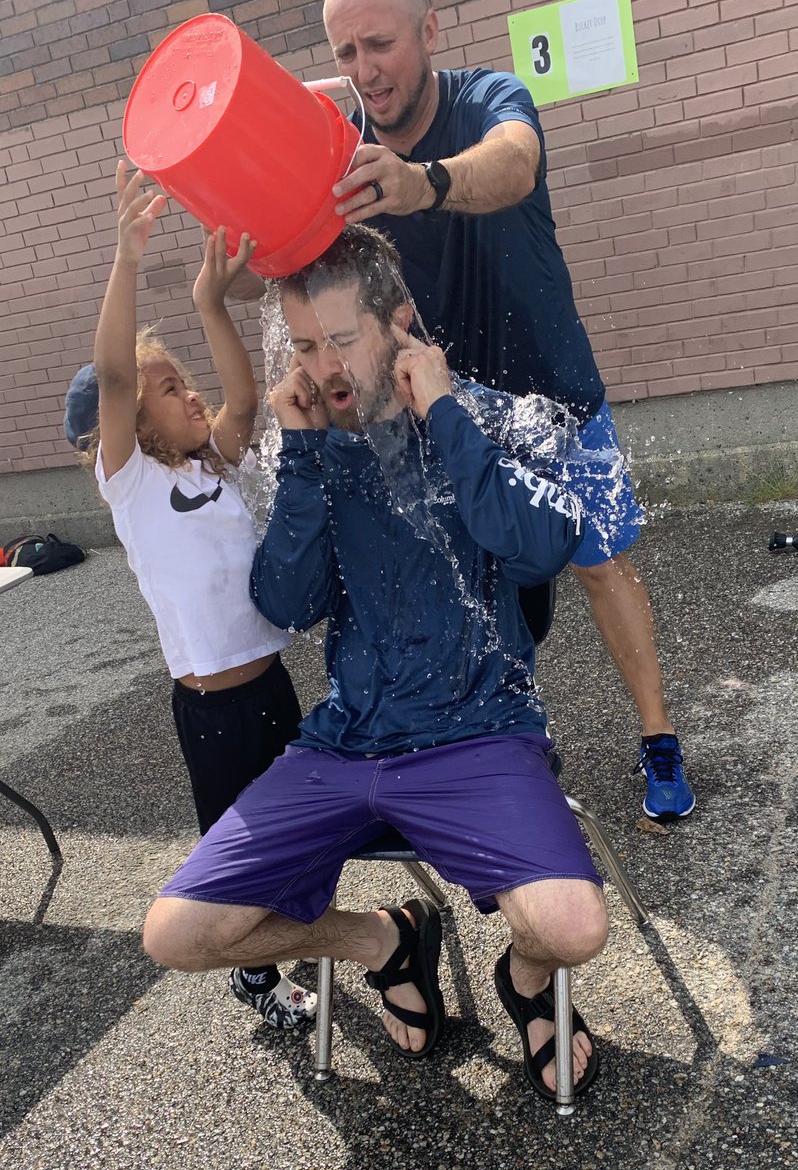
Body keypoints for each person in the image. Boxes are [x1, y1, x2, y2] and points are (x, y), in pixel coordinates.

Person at [142, 223, 609, 1101]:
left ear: (400, 322)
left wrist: (444, 413)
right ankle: (384, 940)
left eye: (342, 341)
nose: (321, 369)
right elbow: (286, 601)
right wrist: (308, 455)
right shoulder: (322, 447)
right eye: (306, 345)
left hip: (478, 732)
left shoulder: (487, 414)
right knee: (176, 935)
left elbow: (548, 544)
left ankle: (529, 981)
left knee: (573, 929)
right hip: (346, 744)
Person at [310, 0, 694, 821]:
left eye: (382, 43)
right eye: (347, 52)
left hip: (553, 396)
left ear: (431, 32)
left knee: (599, 564)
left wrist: (421, 183)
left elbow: (514, 164)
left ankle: (658, 739)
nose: (367, 69)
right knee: (479, 590)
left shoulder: (490, 98)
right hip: (446, 409)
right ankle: (509, 746)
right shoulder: (335, 141)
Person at [64, 161, 316, 1030]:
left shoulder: (216, 467)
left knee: (299, 848)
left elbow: (244, 399)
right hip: (208, 710)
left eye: (182, 379)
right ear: (129, 424)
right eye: (170, 389)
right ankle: (256, 971)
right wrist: (128, 261)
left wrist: (213, 303)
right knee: (235, 857)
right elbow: (116, 374)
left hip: (272, 690)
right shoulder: (128, 485)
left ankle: (294, 940)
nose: (189, 392)